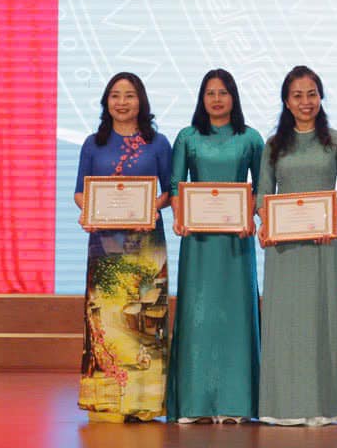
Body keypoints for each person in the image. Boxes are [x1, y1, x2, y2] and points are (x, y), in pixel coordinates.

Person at [256, 66, 337, 426]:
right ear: (286, 101)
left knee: (321, 319)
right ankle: (282, 406)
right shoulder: (273, 144)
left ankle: (323, 405)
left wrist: (332, 215)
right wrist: (266, 222)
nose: (305, 102)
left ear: (321, 97)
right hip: (283, 248)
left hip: (323, 243)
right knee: (286, 322)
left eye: (311, 94)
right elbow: (263, 194)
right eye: (297, 95)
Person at [73, 72, 172, 422]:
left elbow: (170, 191)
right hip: (105, 245)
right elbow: (80, 192)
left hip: (146, 247)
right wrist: (89, 211)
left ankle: (145, 402)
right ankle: (107, 401)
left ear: (140, 101)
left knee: (144, 321)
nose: (122, 102)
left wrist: (150, 208)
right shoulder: (93, 143)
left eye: (129, 95)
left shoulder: (158, 143)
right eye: (115, 95)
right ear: (106, 102)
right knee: (105, 321)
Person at [167, 69, 264, 423]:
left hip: (237, 242)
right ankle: (195, 404)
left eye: (223, 92)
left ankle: (236, 404)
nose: (217, 99)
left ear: (234, 97)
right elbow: (176, 186)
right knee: (199, 316)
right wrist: (180, 216)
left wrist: (251, 215)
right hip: (199, 242)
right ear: (202, 98)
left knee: (236, 317)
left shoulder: (250, 138)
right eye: (210, 93)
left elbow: (262, 187)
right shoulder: (188, 137)